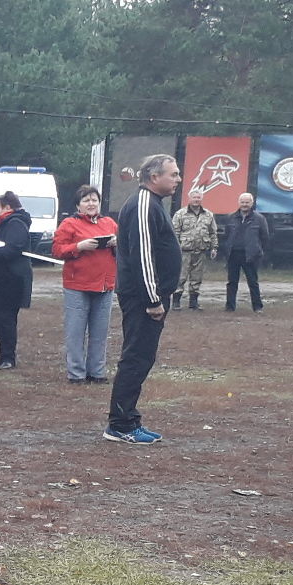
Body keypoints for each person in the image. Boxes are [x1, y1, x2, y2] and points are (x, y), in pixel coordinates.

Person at [106, 154, 184, 444]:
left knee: (142, 357)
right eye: (173, 174)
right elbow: (142, 255)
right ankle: (121, 424)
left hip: (151, 295)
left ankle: (128, 419)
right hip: (142, 298)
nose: (178, 179)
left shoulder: (153, 204)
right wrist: (153, 299)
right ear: (154, 177)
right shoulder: (143, 203)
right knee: (136, 358)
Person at [53, 186, 117, 384]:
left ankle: (97, 372)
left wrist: (117, 243)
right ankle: (76, 373)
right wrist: (78, 246)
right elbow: (57, 250)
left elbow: (125, 249)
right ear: (78, 205)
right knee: (75, 332)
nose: (91, 204)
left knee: (100, 333)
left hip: (105, 285)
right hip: (77, 286)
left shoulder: (109, 223)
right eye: (86, 200)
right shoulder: (69, 224)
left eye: (94, 200)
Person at [0, 192, 34, 369]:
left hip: (11, 279)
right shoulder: (1, 224)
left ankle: (8, 356)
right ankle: (3, 352)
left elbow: (12, 249)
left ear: (8, 208)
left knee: (6, 318)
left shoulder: (15, 224)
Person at [170, 187, 218, 309]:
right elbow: (174, 232)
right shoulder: (180, 214)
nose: (196, 200)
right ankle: (176, 301)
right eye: (194, 197)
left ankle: (193, 302)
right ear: (189, 199)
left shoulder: (208, 215)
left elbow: (213, 233)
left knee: (197, 278)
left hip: (200, 251)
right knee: (180, 277)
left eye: (198, 197)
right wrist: (174, 249)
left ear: (202, 199)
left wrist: (214, 247)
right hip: (184, 251)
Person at [223, 191, 271, 312]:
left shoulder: (259, 219)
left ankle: (257, 307)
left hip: (251, 255)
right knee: (232, 282)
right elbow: (226, 235)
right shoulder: (230, 217)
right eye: (242, 202)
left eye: (247, 202)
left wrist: (258, 251)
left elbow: (265, 237)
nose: (244, 205)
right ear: (239, 203)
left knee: (253, 282)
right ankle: (230, 307)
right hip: (233, 254)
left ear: (252, 203)